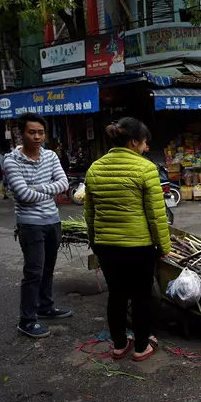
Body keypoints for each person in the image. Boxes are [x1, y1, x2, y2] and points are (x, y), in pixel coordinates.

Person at [84, 118, 171, 361]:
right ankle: (142, 346)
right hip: (138, 247)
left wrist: (95, 242)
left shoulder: (95, 168)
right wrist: (164, 247)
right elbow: (156, 214)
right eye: (144, 143)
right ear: (134, 142)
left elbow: (89, 213)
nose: (146, 148)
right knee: (142, 296)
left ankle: (119, 345)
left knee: (117, 294)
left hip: (106, 246)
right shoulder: (146, 169)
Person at [4, 114, 71, 338]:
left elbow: (63, 183)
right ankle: (27, 320)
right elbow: (22, 195)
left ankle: (46, 307)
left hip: (53, 221)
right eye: (32, 132)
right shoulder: (11, 160)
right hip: (30, 225)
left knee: (48, 269)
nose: (37, 136)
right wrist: (46, 188)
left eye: (41, 132)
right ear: (21, 134)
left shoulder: (51, 156)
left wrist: (36, 187)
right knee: (33, 272)